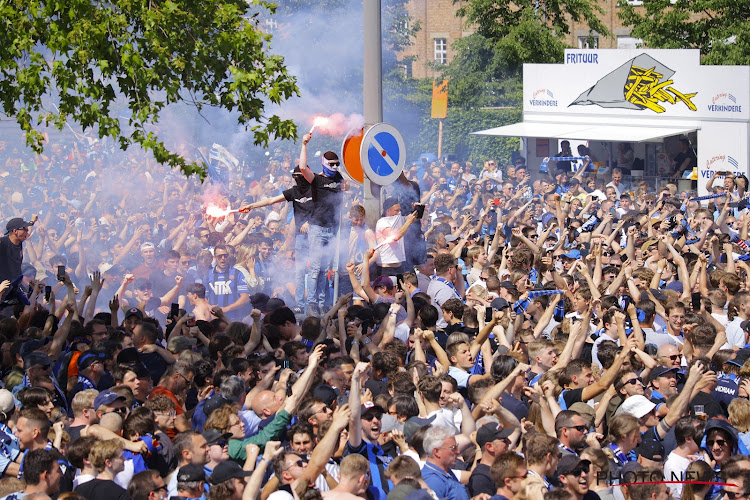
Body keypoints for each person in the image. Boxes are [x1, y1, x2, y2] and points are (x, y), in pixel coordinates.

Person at [298, 133, 347, 316]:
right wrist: (304, 144)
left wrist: (347, 186)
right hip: (317, 228)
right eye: (331, 164)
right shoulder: (317, 180)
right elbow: (303, 167)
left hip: (332, 229)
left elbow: (346, 185)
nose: (334, 167)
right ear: (325, 163)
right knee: (316, 268)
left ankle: (321, 302)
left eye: (337, 164)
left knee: (325, 269)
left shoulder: (339, 178)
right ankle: (311, 303)